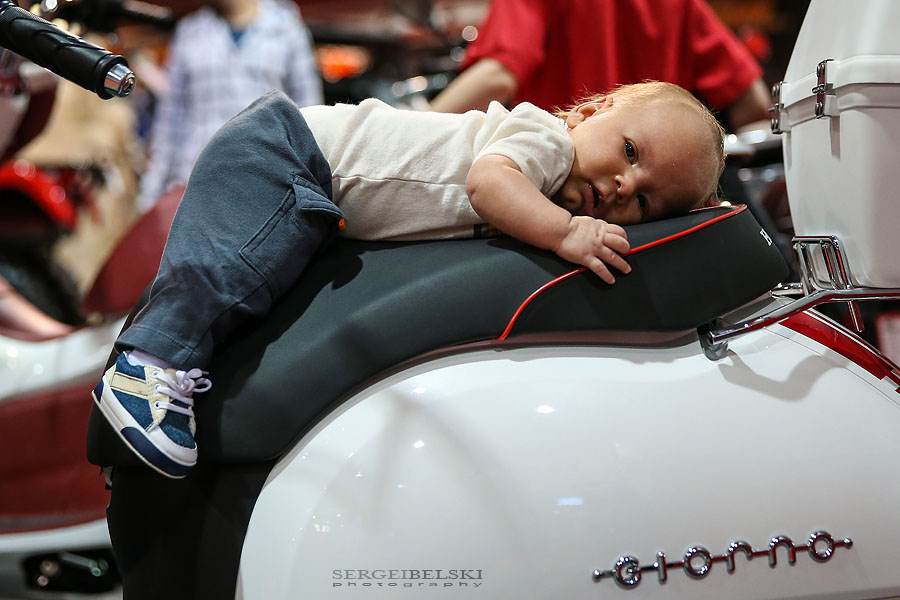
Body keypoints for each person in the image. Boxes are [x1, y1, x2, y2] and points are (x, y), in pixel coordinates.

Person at [92, 81, 726, 478]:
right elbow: (488, 184)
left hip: (318, 186)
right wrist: (566, 233)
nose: (620, 187)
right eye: (630, 153)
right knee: (234, 269)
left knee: (263, 289)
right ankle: (146, 367)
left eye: (643, 202)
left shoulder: (557, 175)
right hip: (290, 149)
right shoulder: (545, 140)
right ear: (594, 109)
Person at [428, 0, 772, 132]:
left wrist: (407, 127)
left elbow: (498, 74)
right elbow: (752, 104)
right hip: (655, 214)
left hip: (563, 197)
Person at [134, 0, 323, 213]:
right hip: (197, 184)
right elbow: (170, 122)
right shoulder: (190, 32)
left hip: (267, 184)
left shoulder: (287, 29)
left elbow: (309, 115)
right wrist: (150, 196)